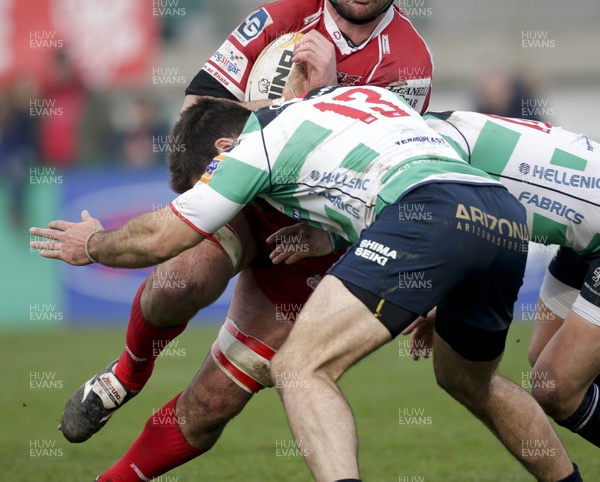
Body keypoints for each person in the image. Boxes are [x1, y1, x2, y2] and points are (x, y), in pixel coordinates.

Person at [54, 0, 434, 478]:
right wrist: (285, 107)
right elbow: (197, 113)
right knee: (179, 280)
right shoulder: (279, 19)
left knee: (211, 406)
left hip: (317, 233)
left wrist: (326, 96)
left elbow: (382, 173)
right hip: (244, 199)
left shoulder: (409, 64)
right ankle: (125, 376)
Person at [32, 86, 580, 481]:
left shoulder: (256, 146)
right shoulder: (345, 100)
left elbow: (162, 237)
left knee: (299, 367)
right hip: (500, 215)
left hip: (426, 213)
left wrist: (94, 245)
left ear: (223, 151)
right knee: (471, 383)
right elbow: (385, 174)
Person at [405, 110, 600, 448]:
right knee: (541, 355)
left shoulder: (428, 148)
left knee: (553, 386)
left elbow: (469, 234)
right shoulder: (435, 131)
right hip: (584, 243)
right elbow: (482, 231)